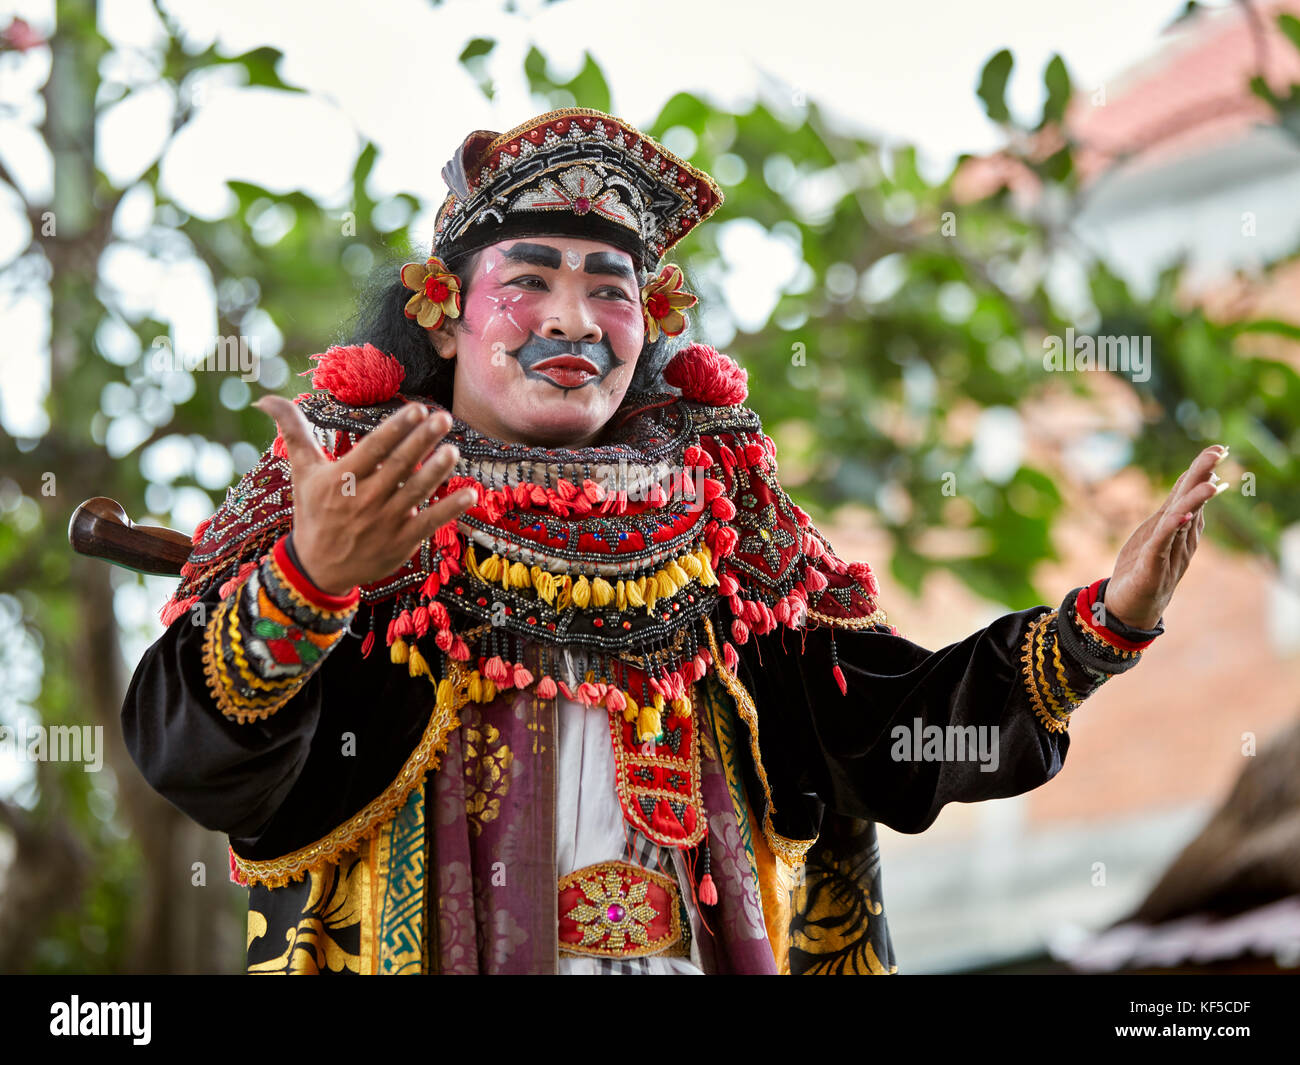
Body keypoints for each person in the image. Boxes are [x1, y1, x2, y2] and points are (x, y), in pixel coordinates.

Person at [121, 107, 1224, 975]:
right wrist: (310, 585)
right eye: (531, 281)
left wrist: (1105, 626)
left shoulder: (718, 535)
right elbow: (191, 754)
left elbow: (899, 731)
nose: (571, 319)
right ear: (445, 314)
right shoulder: (358, 498)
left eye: (611, 290)